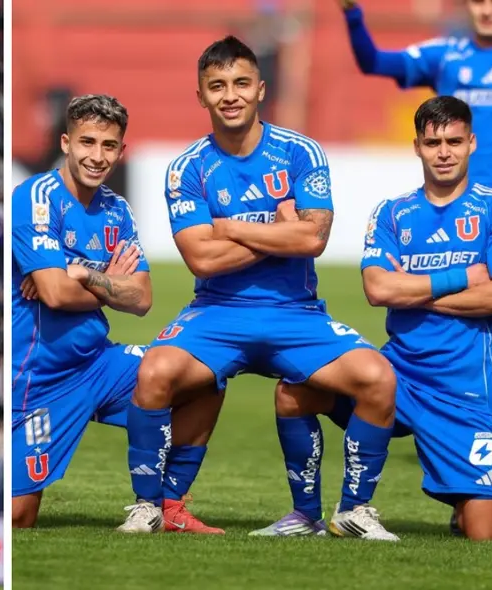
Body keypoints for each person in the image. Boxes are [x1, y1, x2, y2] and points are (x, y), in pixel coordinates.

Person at [122, 36, 399, 540]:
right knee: (154, 372)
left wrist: (230, 227)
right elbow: (202, 258)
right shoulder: (187, 167)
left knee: (377, 377)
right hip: (217, 312)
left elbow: (313, 238)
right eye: (217, 86)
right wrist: (280, 231)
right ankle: (151, 507)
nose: (230, 95)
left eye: (241, 83)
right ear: (201, 96)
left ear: (260, 89)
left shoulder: (299, 152)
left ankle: (349, 512)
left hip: (296, 313)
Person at [260, 96, 492, 541]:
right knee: (295, 392)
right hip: (398, 375)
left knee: (485, 535)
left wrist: (414, 291)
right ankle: (312, 514)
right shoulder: (392, 213)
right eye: (433, 143)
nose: (444, 153)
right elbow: (378, 289)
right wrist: (462, 279)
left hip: (464, 396)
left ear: (471, 143)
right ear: (417, 147)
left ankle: (462, 499)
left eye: (454, 142)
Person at [339, 0, 492, 471]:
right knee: (484, 314)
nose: (488, 10)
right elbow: (373, 62)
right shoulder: (445, 55)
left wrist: (416, 297)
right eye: (478, 0)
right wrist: (353, 14)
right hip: (454, 203)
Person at [11, 94, 166, 530]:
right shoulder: (36, 198)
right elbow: (55, 294)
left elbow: (143, 298)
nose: (97, 157)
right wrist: (107, 283)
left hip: (98, 364)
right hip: (38, 381)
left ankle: (162, 505)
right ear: (66, 142)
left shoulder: (118, 209)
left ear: (121, 150)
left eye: (109, 145)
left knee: (193, 372)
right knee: (19, 517)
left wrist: (82, 274)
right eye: (87, 142)